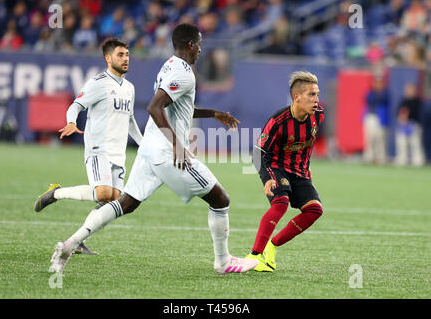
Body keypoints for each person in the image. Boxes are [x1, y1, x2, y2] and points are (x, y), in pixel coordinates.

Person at [48, 23, 258, 275]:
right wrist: (177, 144)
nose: (201, 49)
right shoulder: (184, 73)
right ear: (190, 44)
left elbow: (176, 106)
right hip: (167, 153)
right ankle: (223, 262)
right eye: (199, 43)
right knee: (221, 200)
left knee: (126, 203)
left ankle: (69, 244)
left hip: (149, 149)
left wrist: (213, 114)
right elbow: (155, 108)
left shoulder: (169, 66)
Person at [34, 38, 142, 254]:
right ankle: (55, 193)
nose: (125, 59)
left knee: (114, 201)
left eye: (127, 55)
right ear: (108, 58)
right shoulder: (98, 82)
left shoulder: (129, 88)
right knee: (103, 193)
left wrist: (143, 144)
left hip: (118, 153)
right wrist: (71, 122)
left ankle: (78, 241)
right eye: (120, 55)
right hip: (98, 148)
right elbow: (76, 104)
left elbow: (130, 121)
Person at [245, 71, 325, 272]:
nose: (317, 100)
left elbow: (307, 144)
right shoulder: (278, 121)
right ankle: (254, 256)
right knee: (281, 203)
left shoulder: (318, 116)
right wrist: (266, 179)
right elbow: (257, 153)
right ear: (297, 97)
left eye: (317, 94)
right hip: (275, 167)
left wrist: (306, 168)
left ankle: (272, 246)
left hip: (298, 171)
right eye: (311, 95)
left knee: (315, 210)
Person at [394, 83, 425, 166]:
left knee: (415, 144)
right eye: (408, 90)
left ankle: (417, 161)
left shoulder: (417, 101)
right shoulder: (403, 101)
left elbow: (417, 113)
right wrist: (402, 118)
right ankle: (402, 160)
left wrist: (408, 117)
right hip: (403, 125)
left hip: (413, 125)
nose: (409, 92)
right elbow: (398, 112)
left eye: (411, 90)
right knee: (402, 144)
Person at [363, 78, 390, 165]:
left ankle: (381, 158)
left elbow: (383, 100)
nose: (377, 85)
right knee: (370, 139)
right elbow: (368, 100)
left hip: (381, 118)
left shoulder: (385, 93)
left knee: (380, 139)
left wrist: (379, 92)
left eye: (379, 83)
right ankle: (369, 157)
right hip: (371, 116)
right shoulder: (371, 93)